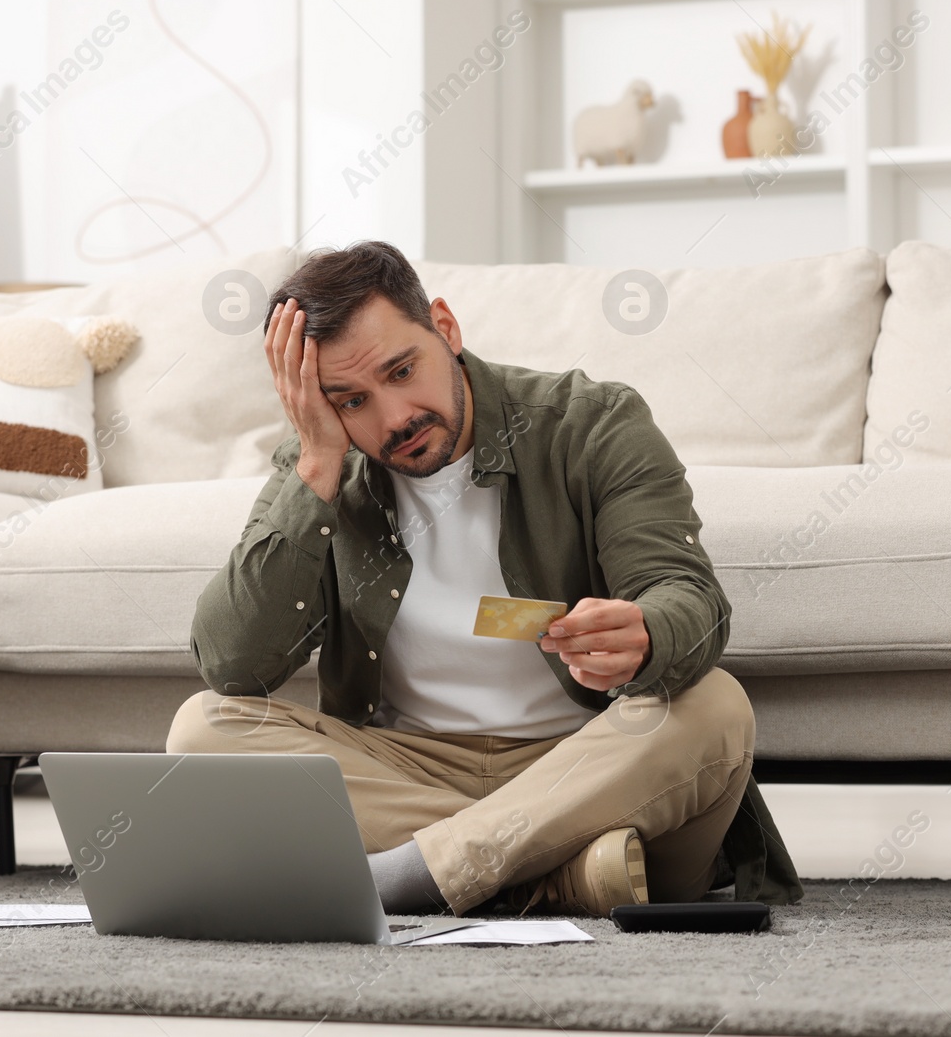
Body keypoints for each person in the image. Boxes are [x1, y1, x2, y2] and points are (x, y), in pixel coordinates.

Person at [168, 241, 801, 917]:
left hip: (593, 766)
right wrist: (320, 460)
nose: (393, 417)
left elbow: (690, 596)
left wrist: (649, 631)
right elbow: (232, 662)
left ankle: (424, 872)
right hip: (414, 774)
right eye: (350, 400)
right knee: (204, 729)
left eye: (402, 369)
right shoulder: (322, 461)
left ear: (445, 326)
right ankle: (555, 875)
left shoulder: (589, 423)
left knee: (717, 706)